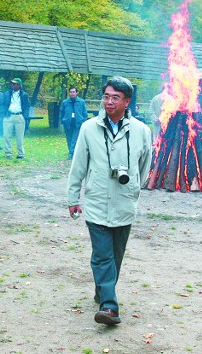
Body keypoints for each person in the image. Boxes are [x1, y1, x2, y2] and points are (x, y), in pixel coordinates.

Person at [67, 76, 152, 326]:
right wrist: (73, 197)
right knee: (102, 255)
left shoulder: (142, 131)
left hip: (125, 202)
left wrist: (134, 186)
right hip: (96, 201)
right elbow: (78, 165)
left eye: (115, 97)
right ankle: (109, 306)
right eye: (106, 96)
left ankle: (102, 290)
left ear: (127, 101)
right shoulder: (88, 128)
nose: (109, 101)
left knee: (116, 255)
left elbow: (144, 166)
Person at [2, 77, 30, 159]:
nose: (13, 85)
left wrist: (25, 117)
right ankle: (8, 153)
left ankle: (20, 154)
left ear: (19, 85)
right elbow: (3, 104)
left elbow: (27, 106)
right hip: (8, 115)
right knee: (6, 136)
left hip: (19, 116)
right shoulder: (7, 93)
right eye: (12, 84)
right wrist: (4, 113)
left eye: (14, 84)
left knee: (20, 137)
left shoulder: (24, 95)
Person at [60, 86, 88, 160]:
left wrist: (83, 121)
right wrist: (62, 120)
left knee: (74, 139)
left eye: (73, 92)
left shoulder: (81, 102)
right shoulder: (65, 102)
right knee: (69, 139)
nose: (72, 94)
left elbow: (84, 113)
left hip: (77, 123)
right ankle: (71, 152)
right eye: (71, 92)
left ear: (76, 93)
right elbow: (62, 112)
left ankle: (71, 154)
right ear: (69, 93)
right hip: (68, 123)